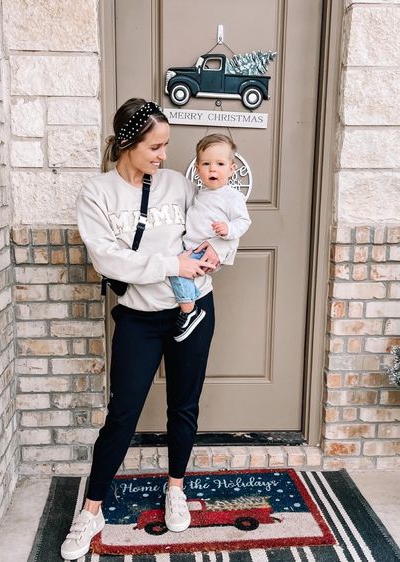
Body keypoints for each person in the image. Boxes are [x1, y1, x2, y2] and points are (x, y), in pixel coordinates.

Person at [60, 98, 228, 560]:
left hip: (191, 307)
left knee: (184, 405)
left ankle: (176, 485)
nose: (163, 156)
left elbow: (209, 227)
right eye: (155, 146)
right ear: (129, 144)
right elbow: (109, 259)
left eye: (166, 146)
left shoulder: (176, 184)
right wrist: (169, 263)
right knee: (123, 413)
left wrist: (214, 252)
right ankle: (92, 510)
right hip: (138, 317)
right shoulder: (98, 193)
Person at [170, 134, 251, 342]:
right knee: (177, 268)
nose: (213, 169)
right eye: (206, 164)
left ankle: (189, 311)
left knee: (178, 273)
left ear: (232, 169)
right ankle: (190, 301)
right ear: (197, 170)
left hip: (204, 252)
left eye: (220, 164)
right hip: (191, 248)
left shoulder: (232, 196)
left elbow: (244, 222)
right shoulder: (199, 193)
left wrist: (228, 229)